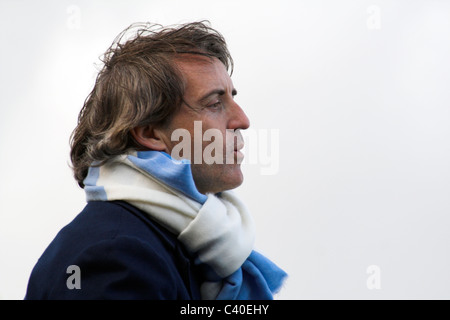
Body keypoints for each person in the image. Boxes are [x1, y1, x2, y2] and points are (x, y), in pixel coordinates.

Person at [25, 21, 286, 300]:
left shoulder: (176, 249)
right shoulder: (115, 256)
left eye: (232, 98)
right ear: (150, 132)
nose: (242, 121)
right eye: (215, 103)